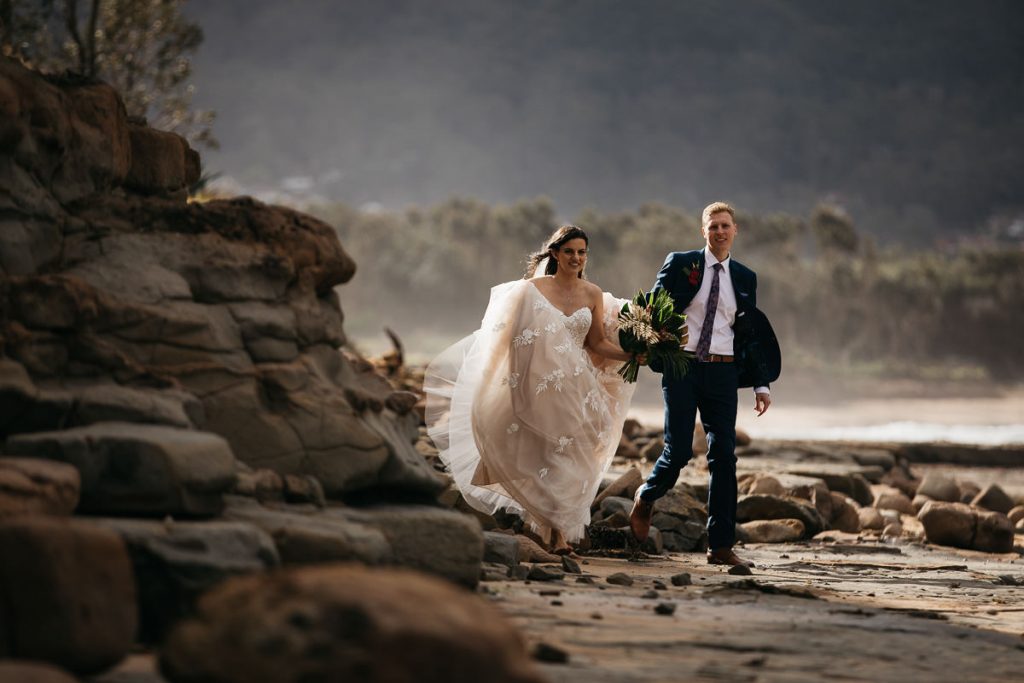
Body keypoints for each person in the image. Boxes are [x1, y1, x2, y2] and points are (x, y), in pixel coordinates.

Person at [425, 226, 638, 555]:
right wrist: (491, 385)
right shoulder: (528, 291)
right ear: (555, 253)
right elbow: (504, 340)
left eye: (581, 252)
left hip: (580, 390)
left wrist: (633, 355)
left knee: (574, 458)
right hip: (537, 387)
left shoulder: (592, 293)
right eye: (569, 251)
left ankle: (554, 527)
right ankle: (554, 533)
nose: (576, 258)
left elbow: (597, 342)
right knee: (541, 455)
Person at [629, 201, 781, 567]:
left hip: (723, 373)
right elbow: (650, 309)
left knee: (724, 456)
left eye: (725, 225)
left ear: (735, 230)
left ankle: (721, 545)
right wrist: (646, 346)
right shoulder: (682, 264)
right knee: (679, 452)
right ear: (704, 231)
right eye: (713, 226)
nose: (720, 232)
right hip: (682, 368)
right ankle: (646, 496)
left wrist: (761, 384)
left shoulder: (745, 277)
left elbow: (749, 335)